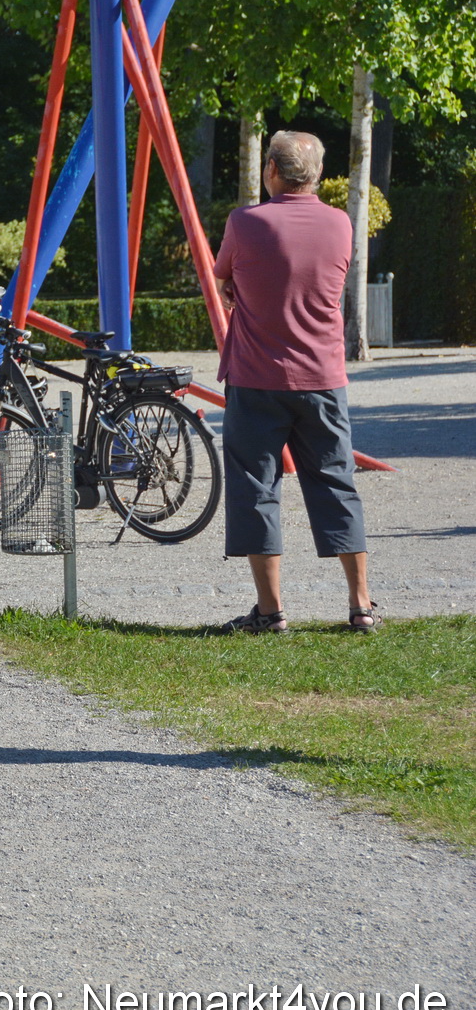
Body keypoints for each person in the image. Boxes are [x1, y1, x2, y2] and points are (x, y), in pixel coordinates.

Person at [213, 130, 376, 634]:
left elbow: (224, 279)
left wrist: (241, 290)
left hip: (255, 378)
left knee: (255, 488)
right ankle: (361, 605)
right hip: (323, 378)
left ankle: (270, 611)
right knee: (336, 483)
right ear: (318, 174)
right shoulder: (340, 223)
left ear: (271, 170)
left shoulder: (245, 222)